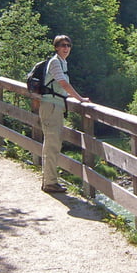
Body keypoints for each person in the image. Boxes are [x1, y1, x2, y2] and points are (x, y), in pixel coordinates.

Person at [38, 35, 89, 193]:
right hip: (51, 107)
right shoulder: (55, 62)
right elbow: (63, 83)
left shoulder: (62, 62)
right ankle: (50, 183)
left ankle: (48, 180)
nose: (66, 48)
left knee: (52, 144)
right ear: (56, 47)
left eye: (68, 45)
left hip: (55, 106)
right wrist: (80, 99)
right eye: (62, 45)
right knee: (52, 145)